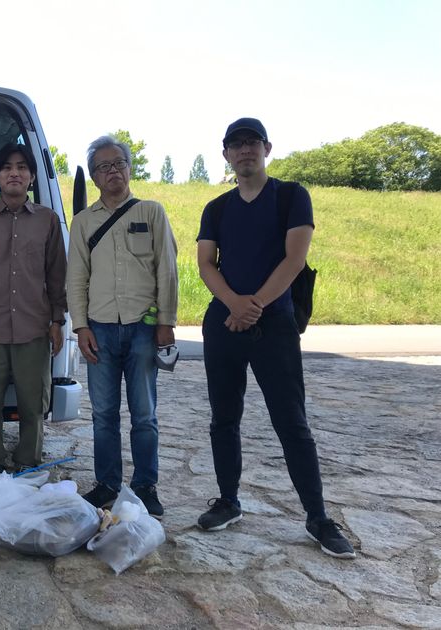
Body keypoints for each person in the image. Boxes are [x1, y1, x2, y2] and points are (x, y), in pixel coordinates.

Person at [195, 117, 355, 558]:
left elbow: (294, 259)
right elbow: (206, 263)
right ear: (226, 154)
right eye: (236, 144)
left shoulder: (291, 196)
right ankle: (228, 501)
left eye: (252, 142)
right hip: (224, 323)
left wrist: (254, 306)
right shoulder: (217, 208)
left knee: (291, 422)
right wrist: (234, 304)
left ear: (267, 148)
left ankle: (318, 517)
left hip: (275, 325)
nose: (245, 150)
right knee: (223, 418)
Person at [66, 135, 178, 519]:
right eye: (104, 167)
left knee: (145, 414)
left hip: (143, 328)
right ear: (95, 177)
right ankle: (108, 484)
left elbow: (167, 270)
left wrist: (166, 322)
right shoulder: (83, 222)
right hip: (99, 329)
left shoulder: (152, 212)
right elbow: (76, 277)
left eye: (119, 163)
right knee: (103, 415)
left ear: (129, 169)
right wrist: (80, 327)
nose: (112, 171)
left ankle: (146, 486)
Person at [0, 143, 67, 472]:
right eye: (6, 167)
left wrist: (57, 321)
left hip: (34, 329)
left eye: (21, 167)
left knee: (33, 402)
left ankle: (28, 463)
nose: (14, 173)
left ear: (32, 176)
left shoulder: (48, 221)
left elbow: (56, 275)